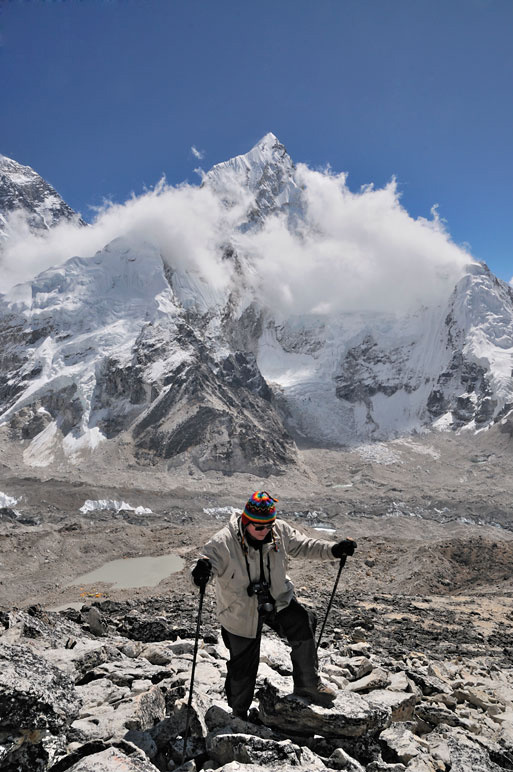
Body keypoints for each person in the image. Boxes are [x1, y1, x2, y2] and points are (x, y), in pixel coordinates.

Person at [191, 491, 356, 719]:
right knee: (243, 665)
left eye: (269, 526)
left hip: (277, 599)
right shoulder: (224, 541)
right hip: (240, 611)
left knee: (302, 622)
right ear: (246, 521)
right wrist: (200, 572)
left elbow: (304, 545)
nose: (265, 531)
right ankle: (238, 713)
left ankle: (307, 684)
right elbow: (204, 563)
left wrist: (333, 550)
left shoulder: (279, 531)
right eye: (259, 528)